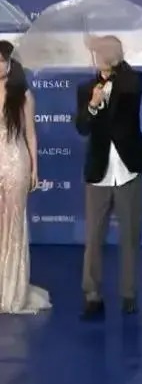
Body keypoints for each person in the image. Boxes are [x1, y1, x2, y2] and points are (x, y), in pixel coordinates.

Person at [74, 36, 142, 319]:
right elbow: (82, 127)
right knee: (93, 238)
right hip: (99, 173)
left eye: (104, 52)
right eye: (97, 53)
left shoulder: (132, 80)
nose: (99, 57)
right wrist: (93, 105)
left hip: (129, 170)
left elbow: (131, 85)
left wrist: (115, 66)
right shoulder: (86, 88)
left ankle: (129, 294)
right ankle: (92, 295)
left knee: (130, 236)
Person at [0, 40, 51, 314]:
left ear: (10, 63)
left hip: (15, 163)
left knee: (14, 226)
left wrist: (34, 169)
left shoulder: (23, 95)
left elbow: (31, 134)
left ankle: (11, 291)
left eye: (0, 61)